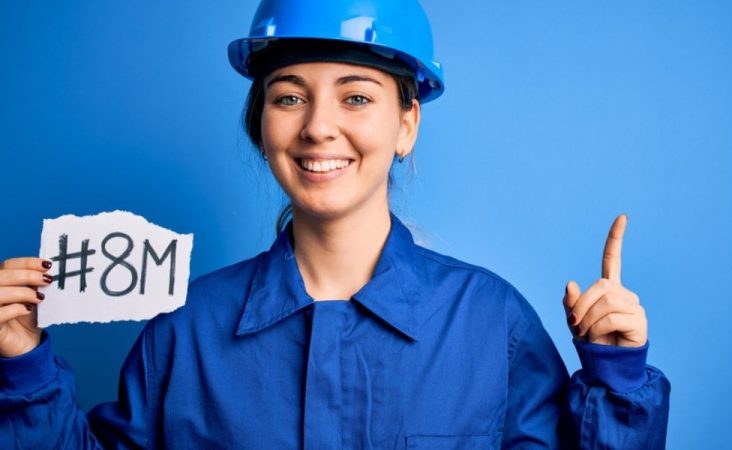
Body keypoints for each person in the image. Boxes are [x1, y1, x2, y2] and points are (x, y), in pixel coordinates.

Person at [0, 0, 670, 448]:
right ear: (261, 125)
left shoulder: (492, 324)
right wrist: (24, 368)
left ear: (407, 123)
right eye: (289, 96)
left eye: (356, 96)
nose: (319, 126)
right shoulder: (185, 331)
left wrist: (617, 383)